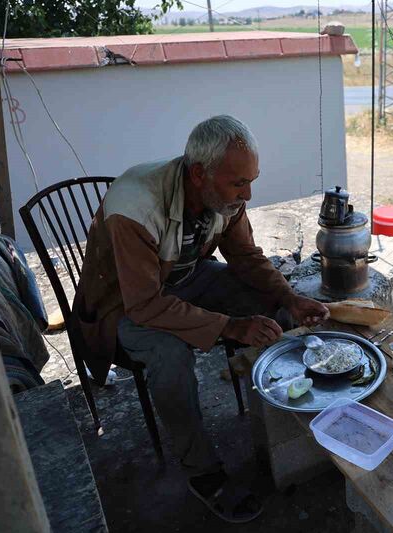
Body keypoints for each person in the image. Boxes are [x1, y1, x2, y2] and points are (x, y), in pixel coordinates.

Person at [71, 115, 329, 523]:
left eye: (252, 180)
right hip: (123, 305)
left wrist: (289, 297)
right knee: (170, 356)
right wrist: (229, 325)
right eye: (238, 183)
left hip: (186, 277)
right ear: (198, 174)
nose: (248, 193)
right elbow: (145, 305)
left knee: (268, 299)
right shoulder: (135, 207)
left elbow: (244, 257)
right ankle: (203, 472)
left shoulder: (222, 197)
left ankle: (296, 413)